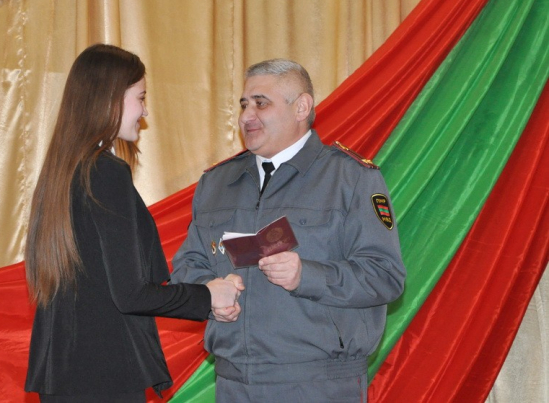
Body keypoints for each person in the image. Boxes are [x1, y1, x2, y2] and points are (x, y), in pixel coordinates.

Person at [171, 59, 406, 402]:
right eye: (244, 104)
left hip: (318, 384)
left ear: (301, 107)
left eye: (261, 103)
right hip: (235, 383)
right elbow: (187, 267)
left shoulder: (351, 179)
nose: (247, 116)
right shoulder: (217, 183)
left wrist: (306, 276)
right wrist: (210, 292)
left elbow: (385, 276)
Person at [24, 44, 243, 403]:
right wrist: (209, 295)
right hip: (103, 377)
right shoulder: (105, 172)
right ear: (110, 98)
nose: (145, 111)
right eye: (140, 98)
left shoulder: (63, 173)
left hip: (68, 376)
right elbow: (131, 294)